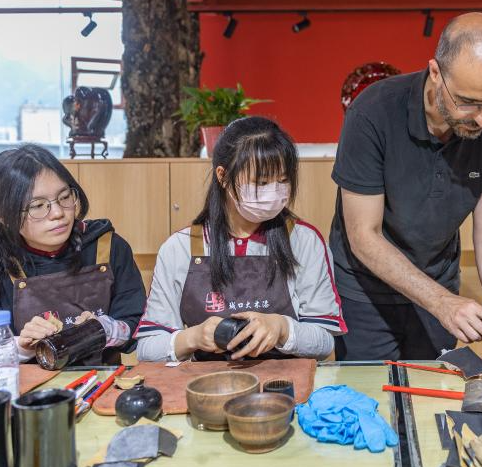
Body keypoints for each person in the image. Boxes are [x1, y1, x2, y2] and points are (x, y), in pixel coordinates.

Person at [330, 12, 482, 361]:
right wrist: (442, 303)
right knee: (370, 389)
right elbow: (363, 235)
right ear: (435, 73)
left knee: (431, 387)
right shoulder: (373, 113)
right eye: (468, 102)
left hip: (439, 282)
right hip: (366, 293)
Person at [136, 117, 345, 361]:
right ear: (223, 176)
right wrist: (193, 337)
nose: (273, 192)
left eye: (283, 180)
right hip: (207, 382)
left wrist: (282, 328)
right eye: (261, 182)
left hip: (286, 382)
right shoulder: (180, 248)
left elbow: (324, 342)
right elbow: (147, 350)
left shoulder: (304, 241)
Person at [0, 144, 146, 365]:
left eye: (64, 197)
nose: (58, 213)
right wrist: (21, 347)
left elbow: (138, 325)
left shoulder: (107, 247)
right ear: (3, 216)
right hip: (31, 386)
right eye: (38, 206)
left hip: (101, 379)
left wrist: (107, 329)